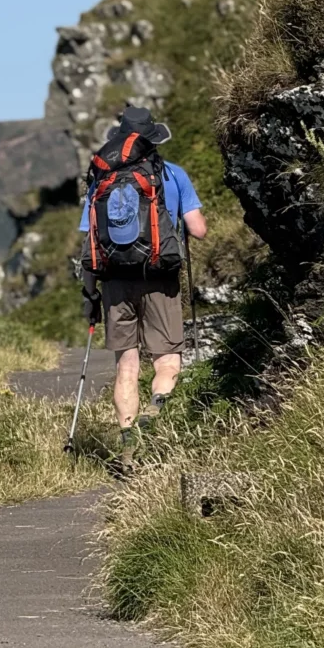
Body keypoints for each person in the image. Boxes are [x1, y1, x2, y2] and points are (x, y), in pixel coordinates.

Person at [78, 105, 207, 470]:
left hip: (115, 282)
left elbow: (88, 244)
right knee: (167, 363)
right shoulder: (172, 174)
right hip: (160, 280)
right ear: (151, 139)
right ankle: (154, 417)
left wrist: (90, 298)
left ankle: (128, 448)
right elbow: (197, 229)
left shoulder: (100, 180)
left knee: (126, 367)